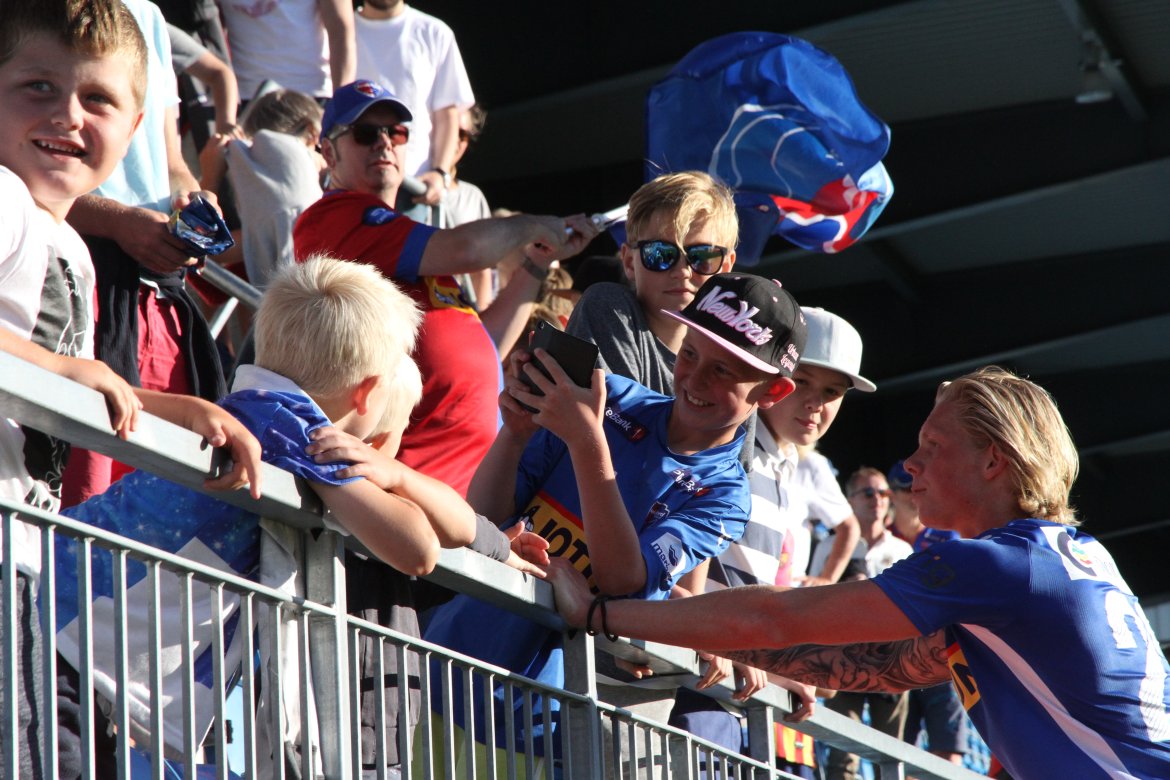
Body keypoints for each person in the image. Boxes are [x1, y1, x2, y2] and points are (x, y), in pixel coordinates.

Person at [551, 365, 1170, 780]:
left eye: (932, 446)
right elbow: (887, 666)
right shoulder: (1075, 556)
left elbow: (775, 618)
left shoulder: (996, 565)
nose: (910, 464)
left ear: (993, 462)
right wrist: (740, 655)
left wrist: (603, 614)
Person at [0, 2, 262, 774]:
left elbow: (80, 389)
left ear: (137, 126)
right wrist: (63, 370)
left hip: (24, 554)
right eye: (38, 87)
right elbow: (60, 374)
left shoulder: (71, 249)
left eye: (98, 99)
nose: (68, 115)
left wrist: (184, 412)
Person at [422, 272, 807, 771]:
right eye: (689, 354)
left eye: (722, 371)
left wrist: (587, 444)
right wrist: (513, 435)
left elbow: (621, 580)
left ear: (773, 390)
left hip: (533, 724)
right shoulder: (613, 398)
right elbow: (487, 518)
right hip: (441, 662)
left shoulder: (726, 495)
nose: (694, 379)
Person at [293, 79, 596, 496]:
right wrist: (533, 225)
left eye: (396, 132)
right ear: (328, 152)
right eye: (365, 133)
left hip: (457, 485)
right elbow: (468, 249)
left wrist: (537, 262)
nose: (384, 143)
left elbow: (486, 343)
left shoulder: (402, 238)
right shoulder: (335, 216)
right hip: (402, 482)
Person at [669, 307, 876, 776]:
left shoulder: (785, 464)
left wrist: (782, 666)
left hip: (723, 692)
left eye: (832, 393)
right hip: (685, 681)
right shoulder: (730, 441)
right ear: (773, 379)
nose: (815, 404)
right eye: (803, 382)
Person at [63, 0, 231, 507]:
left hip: (157, 294)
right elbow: (23, 169)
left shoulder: (150, 16)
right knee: (85, 502)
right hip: (78, 283)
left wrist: (191, 201)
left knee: (157, 497)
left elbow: (171, 160)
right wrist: (116, 222)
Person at [566, 170, 738, 396]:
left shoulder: (736, 348)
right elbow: (622, 417)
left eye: (702, 256)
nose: (682, 272)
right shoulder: (607, 305)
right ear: (629, 262)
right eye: (660, 254)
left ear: (725, 266)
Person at [816, 467, 913, 780]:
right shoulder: (829, 546)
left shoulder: (902, 550)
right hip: (842, 659)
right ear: (850, 500)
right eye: (868, 493)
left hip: (891, 662)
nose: (878, 500)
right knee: (842, 757)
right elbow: (810, 597)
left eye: (884, 493)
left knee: (891, 757)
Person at [886, 458, 972, 768]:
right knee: (901, 750)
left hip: (943, 652)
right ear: (891, 494)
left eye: (917, 488)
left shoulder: (945, 534)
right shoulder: (883, 537)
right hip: (900, 655)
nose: (912, 495)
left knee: (948, 749)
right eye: (904, 488)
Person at [199, 88, 325, 289]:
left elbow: (203, 247)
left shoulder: (273, 209)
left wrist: (210, 177)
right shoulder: (332, 178)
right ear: (313, 134)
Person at [353, 0, 474, 208]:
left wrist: (440, 173)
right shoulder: (336, 29)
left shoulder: (435, 32)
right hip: (353, 182)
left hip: (414, 188)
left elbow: (447, 114)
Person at [216, 0, 354, 103]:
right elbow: (213, 26)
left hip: (310, 91)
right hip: (246, 96)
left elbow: (341, 30)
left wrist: (341, 102)